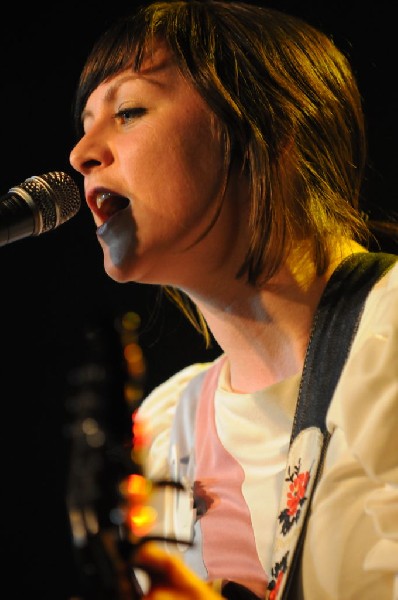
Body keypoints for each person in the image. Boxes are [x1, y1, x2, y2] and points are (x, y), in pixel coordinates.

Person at [68, 1, 398, 598]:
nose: (82, 154)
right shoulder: (164, 434)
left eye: (130, 111)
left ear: (268, 127)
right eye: (85, 124)